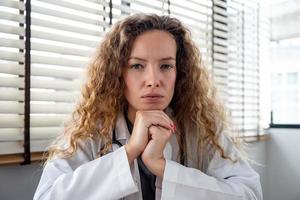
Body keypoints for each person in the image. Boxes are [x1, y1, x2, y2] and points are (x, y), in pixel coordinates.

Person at [33, 13, 263, 200]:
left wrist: (162, 167)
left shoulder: (203, 129)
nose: (153, 79)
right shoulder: (90, 131)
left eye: (165, 65)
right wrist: (130, 151)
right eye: (136, 66)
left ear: (179, 73)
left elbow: (250, 194)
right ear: (117, 73)